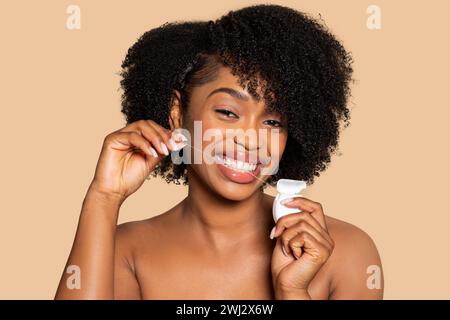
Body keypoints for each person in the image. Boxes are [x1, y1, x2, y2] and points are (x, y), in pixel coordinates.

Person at [55, 4, 383, 299]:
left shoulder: (346, 253)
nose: (251, 139)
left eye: (272, 121)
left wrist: (292, 290)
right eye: (228, 113)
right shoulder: (123, 252)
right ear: (176, 111)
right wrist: (104, 197)